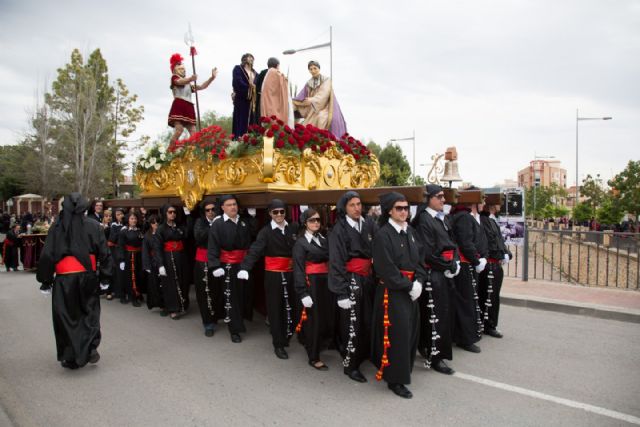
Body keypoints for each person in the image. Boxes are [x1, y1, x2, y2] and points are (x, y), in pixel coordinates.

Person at [36, 193, 112, 369]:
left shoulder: (57, 227)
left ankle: (71, 354)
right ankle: (90, 347)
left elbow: (48, 255)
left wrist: (46, 280)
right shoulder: (94, 226)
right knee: (89, 312)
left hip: (65, 280)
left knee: (67, 316)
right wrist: (106, 277)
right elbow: (104, 253)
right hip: (88, 277)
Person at [372, 192, 425, 399]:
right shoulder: (383, 235)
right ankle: (395, 379)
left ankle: (405, 370)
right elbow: (386, 269)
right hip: (394, 292)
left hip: (412, 289)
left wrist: (419, 281)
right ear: (389, 211)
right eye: (399, 208)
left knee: (411, 332)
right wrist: (409, 286)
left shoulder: (411, 231)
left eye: (406, 208)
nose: (404, 211)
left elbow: (421, 260)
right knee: (397, 336)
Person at [239, 199, 298, 359]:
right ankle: (278, 344)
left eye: (282, 211)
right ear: (270, 214)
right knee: (275, 308)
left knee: (293, 306)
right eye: (275, 212)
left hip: (291, 273)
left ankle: (289, 334)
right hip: (273, 275)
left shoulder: (293, 228)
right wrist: (245, 267)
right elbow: (255, 250)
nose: (279, 215)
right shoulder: (265, 232)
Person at [328, 191, 377, 382]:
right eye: (352, 205)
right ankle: (350, 364)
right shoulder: (338, 230)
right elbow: (336, 262)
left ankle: (363, 355)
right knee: (352, 323)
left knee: (367, 320)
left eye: (359, 204)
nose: (357, 208)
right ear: (344, 208)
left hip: (368, 277)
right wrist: (341, 292)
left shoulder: (369, 224)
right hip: (350, 279)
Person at [412, 184, 459, 375]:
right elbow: (428, 253)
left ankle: (434, 351)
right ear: (428, 198)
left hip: (444, 272)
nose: (443, 199)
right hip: (434, 274)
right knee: (434, 317)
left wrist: (454, 263)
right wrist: (448, 266)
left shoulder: (442, 218)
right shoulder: (423, 220)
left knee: (443, 315)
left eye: (443, 196)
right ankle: (434, 357)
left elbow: (453, 243)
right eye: (439, 196)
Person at [293, 208, 335, 370]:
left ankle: (325, 344)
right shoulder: (300, 243)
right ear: (305, 223)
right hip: (312, 284)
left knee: (325, 316)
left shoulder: (324, 239)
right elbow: (298, 269)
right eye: (312, 220)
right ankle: (313, 355)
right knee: (314, 321)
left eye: (318, 220)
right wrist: (303, 292)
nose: (316, 223)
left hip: (326, 283)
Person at [207, 195, 253, 342]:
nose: (233, 207)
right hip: (227, 266)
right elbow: (213, 245)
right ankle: (234, 329)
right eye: (229, 205)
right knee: (231, 297)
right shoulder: (218, 223)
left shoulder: (243, 222)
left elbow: (249, 243)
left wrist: (246, 265)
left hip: (243, 265)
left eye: (234, 204)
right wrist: (214, 265)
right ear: (222, 207)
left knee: (242, 294)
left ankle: (242, 319)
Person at [450, 191, 489, 353]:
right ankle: (464, 338)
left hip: (468, 264)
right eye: (481, 200)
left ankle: (464, 334)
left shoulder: (462, 216)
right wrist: (476, 260)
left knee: (466, 302)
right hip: (465, 265)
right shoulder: (464, 217)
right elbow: (466, 243)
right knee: (466, 303)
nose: (483, 204)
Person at [167, 53, 217, 149]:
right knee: (179, 130)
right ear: (175, 69)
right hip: (179, 105)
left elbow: (202, 86)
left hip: (189, 106)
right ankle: (170, 149)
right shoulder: (174, 78)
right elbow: (180, 82)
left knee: (194, 132)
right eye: (180, 68)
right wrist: (190, 78)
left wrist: (212, 78)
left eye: (184, 69)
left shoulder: (189, 84)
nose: (183, 70)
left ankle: (192, 151)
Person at [478, 202, 512, 338]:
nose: (500, 205)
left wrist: (507, 253)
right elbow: (490, 242)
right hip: (490, 264)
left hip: (496, 263)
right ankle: (488, 324)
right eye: (497, 202)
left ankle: (490, 323)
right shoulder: (485, 220)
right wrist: (499, 254)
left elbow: (499, 241)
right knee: (488, 296)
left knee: (493, 296)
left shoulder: (491, 220)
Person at [153, 204, 190, 319]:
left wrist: (189, 216)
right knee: (171, 284)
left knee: (183, 281)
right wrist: (160, 265)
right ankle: (173, 308)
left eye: (174, 212)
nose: (172, 214)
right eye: (170, 212)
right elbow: (157, 248)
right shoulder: (161, 229)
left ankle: (182, 305)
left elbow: (187, 235)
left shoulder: (180, 226)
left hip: (181, 257)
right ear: (165, 213)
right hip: (168, 258)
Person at [293, 60, 347, 138]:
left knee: (321, 118)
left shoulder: (326, 80)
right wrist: (295, 101)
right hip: (313, 108)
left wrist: (312, 100)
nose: (313, 71)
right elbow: (301, 95)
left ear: (319, 68)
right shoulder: (309, 83)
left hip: (326, 107)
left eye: (315, 68)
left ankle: (322, 140)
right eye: (310, 69)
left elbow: (324, 94)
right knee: (306, 126)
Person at [193, 199, 219, 337]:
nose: (211, 212)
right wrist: (212, 226)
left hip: (218, 260)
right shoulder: (200, 223)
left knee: (217, 291)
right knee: (205, 292)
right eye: (207, 210)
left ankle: (216, 316)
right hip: (203, 261)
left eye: (213, 209)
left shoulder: (220, 221)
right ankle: (208, 322)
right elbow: (199, 237)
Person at [117, 211, 145, 307]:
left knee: (139, 275)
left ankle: (138, 293)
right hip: (129, 256)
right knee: (131, 277)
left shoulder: (139, 230)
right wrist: (121, 260)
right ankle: (132, 296)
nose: (134, 220)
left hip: (139, 255)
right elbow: (120, 246)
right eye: (132, 219)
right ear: (128, 220)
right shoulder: (124, 231)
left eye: (135, 218)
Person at [257, 57, 292, 126]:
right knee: (274, 119)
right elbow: (282, 83)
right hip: (273, 102)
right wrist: (285, 80)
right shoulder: (275, 72)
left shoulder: (266, 73)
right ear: (277, 65)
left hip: (266, 100)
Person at [142, 214, 165, 313]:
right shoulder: (147, 235)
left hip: (164, 260)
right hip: (153, 262)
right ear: (150, 224)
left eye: (157, 222)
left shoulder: (163, 233)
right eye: (153, 222)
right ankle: (158, 303)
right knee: (155, 284)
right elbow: (145, 251)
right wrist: (146, 265)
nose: (156, 224)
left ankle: (166, 304)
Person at [232, 53, 257, 138]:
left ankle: (250, 141)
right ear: (244, 59)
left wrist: (254, 89)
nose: (251, 59)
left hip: (252, 101)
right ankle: (239, 140)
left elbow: (258, 85)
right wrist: (249, 87)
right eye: (249, 57)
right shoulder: (238, 69)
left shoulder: (255, 73)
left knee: (252, 121)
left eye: (252, 58)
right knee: (241, 120)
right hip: (241, 99)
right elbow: (237, 81)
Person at [108, 208, 126, 302]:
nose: (120, 216)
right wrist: (121, 231)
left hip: (125, 250)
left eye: (121, 214)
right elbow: (112, 239)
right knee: (116, 271)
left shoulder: (126, 224)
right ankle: (116, 291)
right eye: (117, 214)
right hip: (115, 251)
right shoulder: (114, 225)